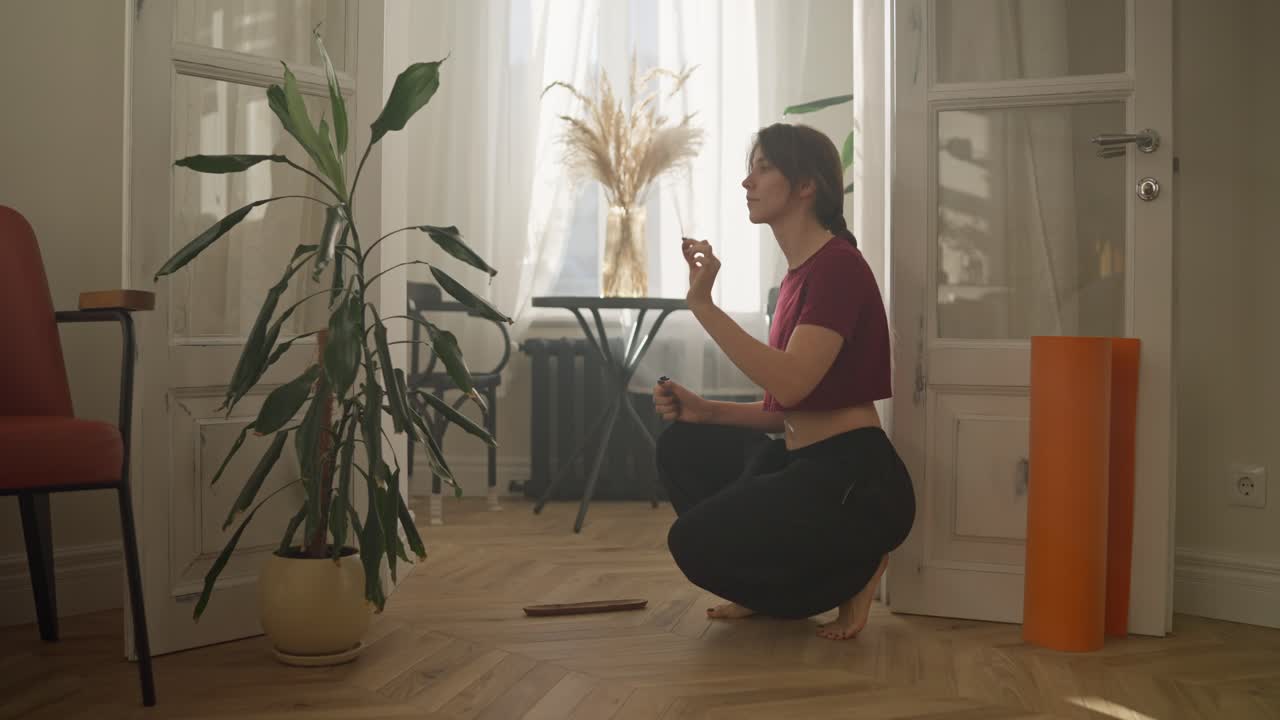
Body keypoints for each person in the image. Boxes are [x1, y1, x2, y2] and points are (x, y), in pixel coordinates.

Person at [652, 122, 915, 641]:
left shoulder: (838, 266)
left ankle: (853, 572)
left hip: (854, 480)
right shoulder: (798, 277)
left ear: (805, 185)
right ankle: (774, 592)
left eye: (762, 167)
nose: (746, 182)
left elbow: (792, 385)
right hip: (804, 463)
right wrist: (704, 410)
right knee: (684, 444)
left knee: (691, 542)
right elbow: (788, 409)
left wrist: (703, 306)